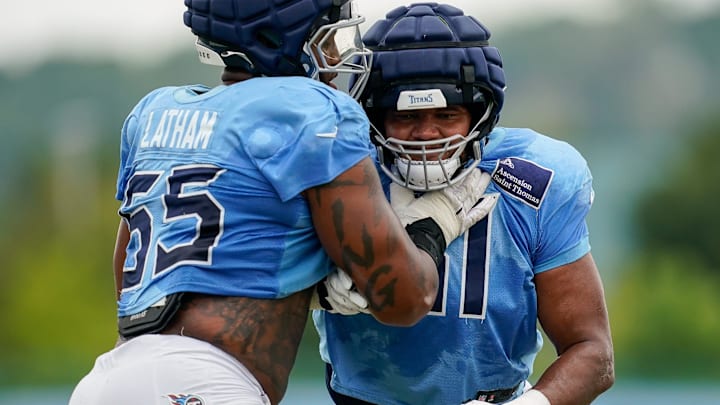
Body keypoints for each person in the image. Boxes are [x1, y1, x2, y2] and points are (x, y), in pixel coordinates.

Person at [67, 1, 494, 404]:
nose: (334, 51)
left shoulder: (153, 111)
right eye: (325, 36)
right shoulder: (312, 110)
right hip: (203, 384)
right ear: (279, 37)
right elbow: (403, 298)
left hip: (108, 378)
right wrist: (431, 228)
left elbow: (127, 279)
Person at [312, 3, 615, 405]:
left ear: (480, 113)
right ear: (374, 118)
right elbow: (243, 277)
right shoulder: (336, 167)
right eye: (406, 117)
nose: (426, 134)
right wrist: (314, 289)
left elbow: (593, 353)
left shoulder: (533, 178)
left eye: (446, 114)